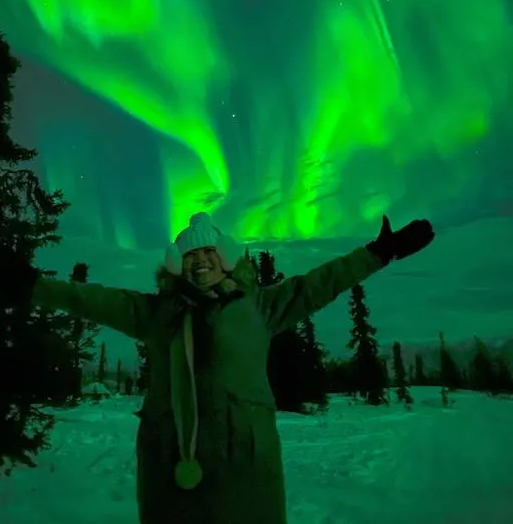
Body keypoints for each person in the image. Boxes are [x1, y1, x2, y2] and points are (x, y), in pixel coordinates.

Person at [29, 211, 434, 524]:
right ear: (177, 264)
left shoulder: (259, 308)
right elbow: (89, 299)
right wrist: (31, 286)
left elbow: (321, 282)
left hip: (246, 465)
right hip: (170, 466)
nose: (200, 261)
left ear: (224, 258)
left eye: (208, 252)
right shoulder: (156, 314)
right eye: (190, 255)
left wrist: (380, 252)